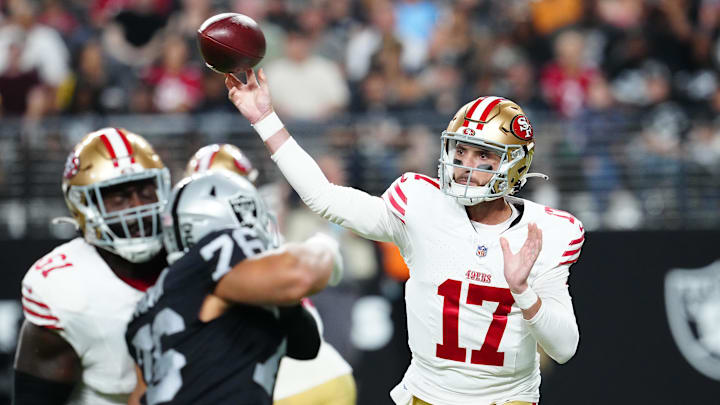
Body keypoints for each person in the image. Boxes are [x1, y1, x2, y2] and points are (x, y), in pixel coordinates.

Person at [225, 69, 586, 405]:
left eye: (482, 156)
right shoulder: (421, 204)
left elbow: (565, 347)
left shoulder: (547, 232)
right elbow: (324, 197)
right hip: (425, 395)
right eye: (460, 150)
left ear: (515, 164)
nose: (465, 166)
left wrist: (523, 291)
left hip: (506, 399)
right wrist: (264, 118)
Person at [124, 170, 342, 405]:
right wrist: (325, 245)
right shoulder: (219, 251)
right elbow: (301, 275)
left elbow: (306, 345)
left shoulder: (150, 304)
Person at [184, 143, 357, 405]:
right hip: (324, 374)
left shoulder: (210, 249)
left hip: (279, 385)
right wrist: (326, 248)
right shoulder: (264, 220)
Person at [14, 127, 172, 405]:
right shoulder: (64, 287)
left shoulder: (194, 255)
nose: (138, 209)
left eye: (146, 191)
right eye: (119, 198)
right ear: (83, 206)